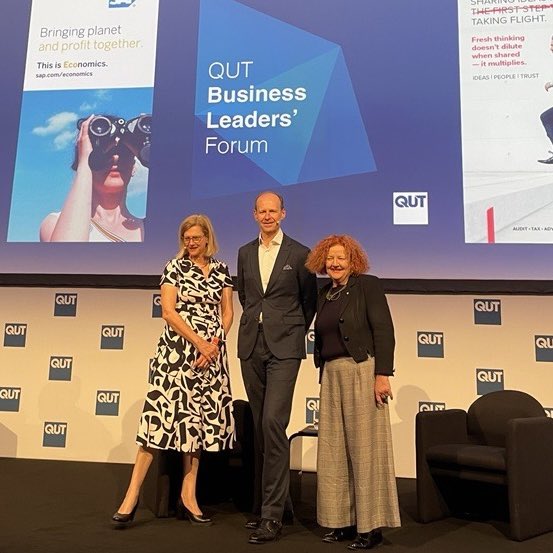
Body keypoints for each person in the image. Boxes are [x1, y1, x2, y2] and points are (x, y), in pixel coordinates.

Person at [112, 214, 234, 527]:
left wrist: (215, 344)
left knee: (197, 425)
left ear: (208, 238)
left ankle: (188, 494)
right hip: (178, 354)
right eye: (187, 239)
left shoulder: (222, 270)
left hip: (211, 357)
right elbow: (168, 312)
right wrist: (199, 343)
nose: (191, 243)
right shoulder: (174, 267)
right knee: (157, 422)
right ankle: (132, 494)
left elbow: (228, 312)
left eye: (196, 238)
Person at [305, 234, 401, 550]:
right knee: (333, 451)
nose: (334, 263)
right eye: (330, 258)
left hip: (363, 369)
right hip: (331, 374)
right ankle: (341, 523)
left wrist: (382, 374)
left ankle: (370, 528)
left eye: (341, 258)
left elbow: (384, 330)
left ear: (353, 261)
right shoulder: (324, 294)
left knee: (365, 451)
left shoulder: (367, 286)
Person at [237, 191, 317, 544]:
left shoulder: (300, 253)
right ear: (254, 214)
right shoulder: (243, 253)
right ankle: (274, 505)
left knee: (273, 422)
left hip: (285, 347)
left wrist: (286, 326)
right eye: (262, 211)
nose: (267, 216)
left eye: (273, 211)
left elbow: (308, 302)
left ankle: (271, 517)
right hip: (251, 346)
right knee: (259, 426)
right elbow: (246, 298)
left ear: (282, 213)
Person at [40, 115, 144, 242]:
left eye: (124, 151)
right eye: (105, 153)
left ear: (134, 166)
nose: (116, 158)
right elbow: (67, 258)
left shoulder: (149, 228)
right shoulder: (55, 223)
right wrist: (85, 163)